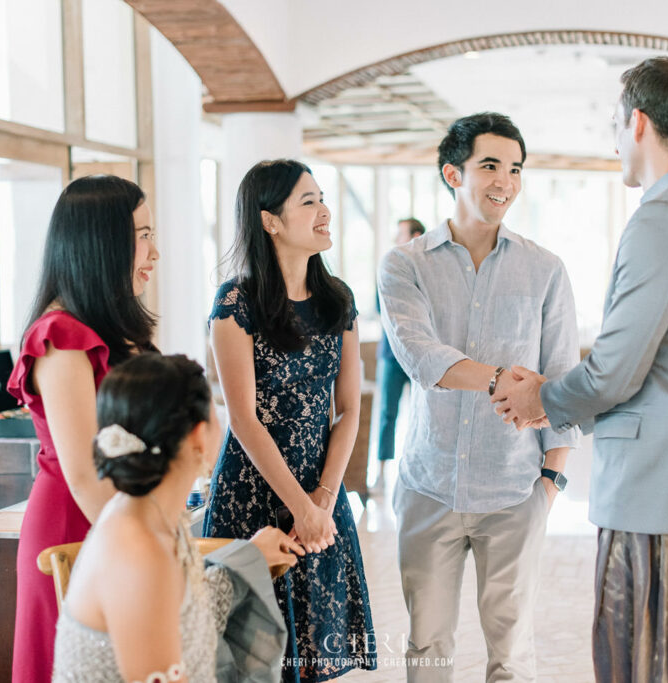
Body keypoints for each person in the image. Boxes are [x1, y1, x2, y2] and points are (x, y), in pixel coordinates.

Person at [493, 57, 668, 682]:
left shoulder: (663, 218)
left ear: (637, 122)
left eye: (614, 123)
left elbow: (615, 372)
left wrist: (543, 399)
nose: (613, 139)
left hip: (658, 507)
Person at [378, 112, 579, 682]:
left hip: (516, 492)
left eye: (515, 169)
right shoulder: (404, 265)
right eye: (489, 165)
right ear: (452, 173)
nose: (505, 182)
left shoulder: (545, 270)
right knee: (428, 649)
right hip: (429, 487)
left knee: (512, 655)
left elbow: (561, 379)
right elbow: (420, 357)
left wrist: (550, 486)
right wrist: (499, 380)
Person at [203, 159, 376, 681]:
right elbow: (244, 419)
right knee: (251, 657)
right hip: (252, 496)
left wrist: (322, 500)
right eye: (309, 201)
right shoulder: (236, 303)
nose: (325, 211)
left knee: (313, 657)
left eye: (323, 199)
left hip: (322, 495)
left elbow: (348, 409)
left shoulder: (337, 300)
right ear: (270, 220)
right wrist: (301, 506)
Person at [52, 353, 302, 682]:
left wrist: (251, 555)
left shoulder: (151, 514)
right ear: (199, 435)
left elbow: (181, 613)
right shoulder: (138, 551)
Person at [7, 175, 159, 682]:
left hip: (112, 517)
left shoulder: (106, 330)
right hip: (75, 527)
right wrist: (149, 548)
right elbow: (83, 472)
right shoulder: (61, 336)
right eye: (141, 234)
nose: (152, 252)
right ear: (100, 241)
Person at [373, 217, 426, 488]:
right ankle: (381, 473)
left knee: (425, 413)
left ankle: (418, 472)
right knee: (387, 414)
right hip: (392, 357)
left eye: (400, 234)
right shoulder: (387, 267)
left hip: (423, 358)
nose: (396, 240)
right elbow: (381, 310)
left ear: (415, 235)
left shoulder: (430, 271)